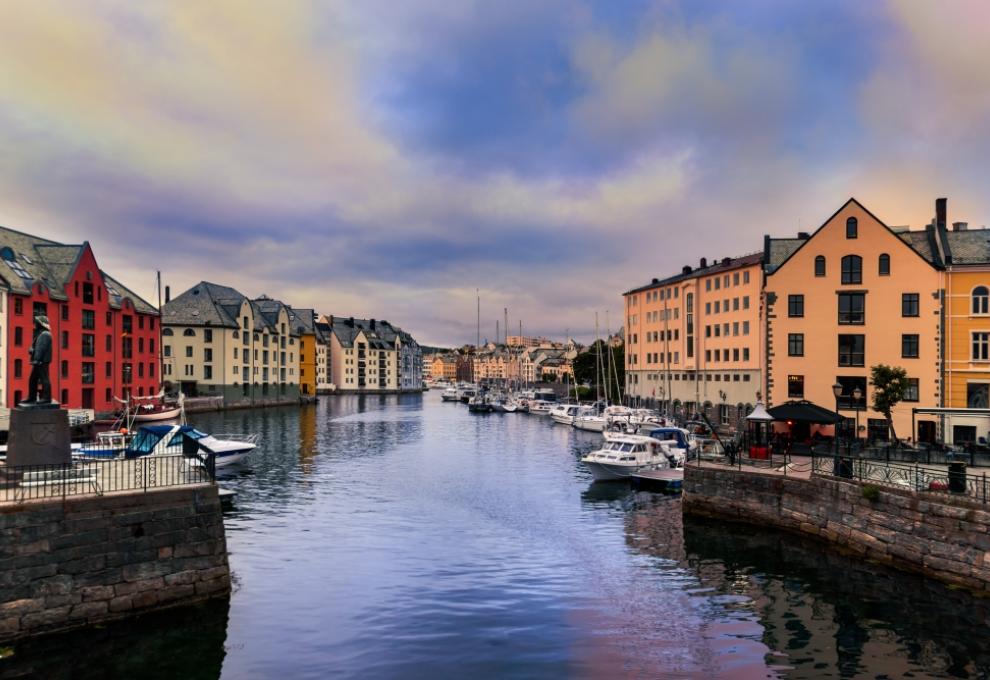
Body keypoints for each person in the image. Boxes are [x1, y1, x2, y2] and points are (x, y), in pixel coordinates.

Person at [26, 315, 53, 404]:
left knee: (44, 379)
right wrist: (32, 350)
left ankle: (46, 398)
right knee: (33, 379)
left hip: (41, 361)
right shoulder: (41, 334)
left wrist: (37, 359)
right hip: (38, 361)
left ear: (40, 324)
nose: (35, 324)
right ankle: (32, 397)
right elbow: (36, 347)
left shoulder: (45, 334)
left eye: (36, 322)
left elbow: (41, 348)